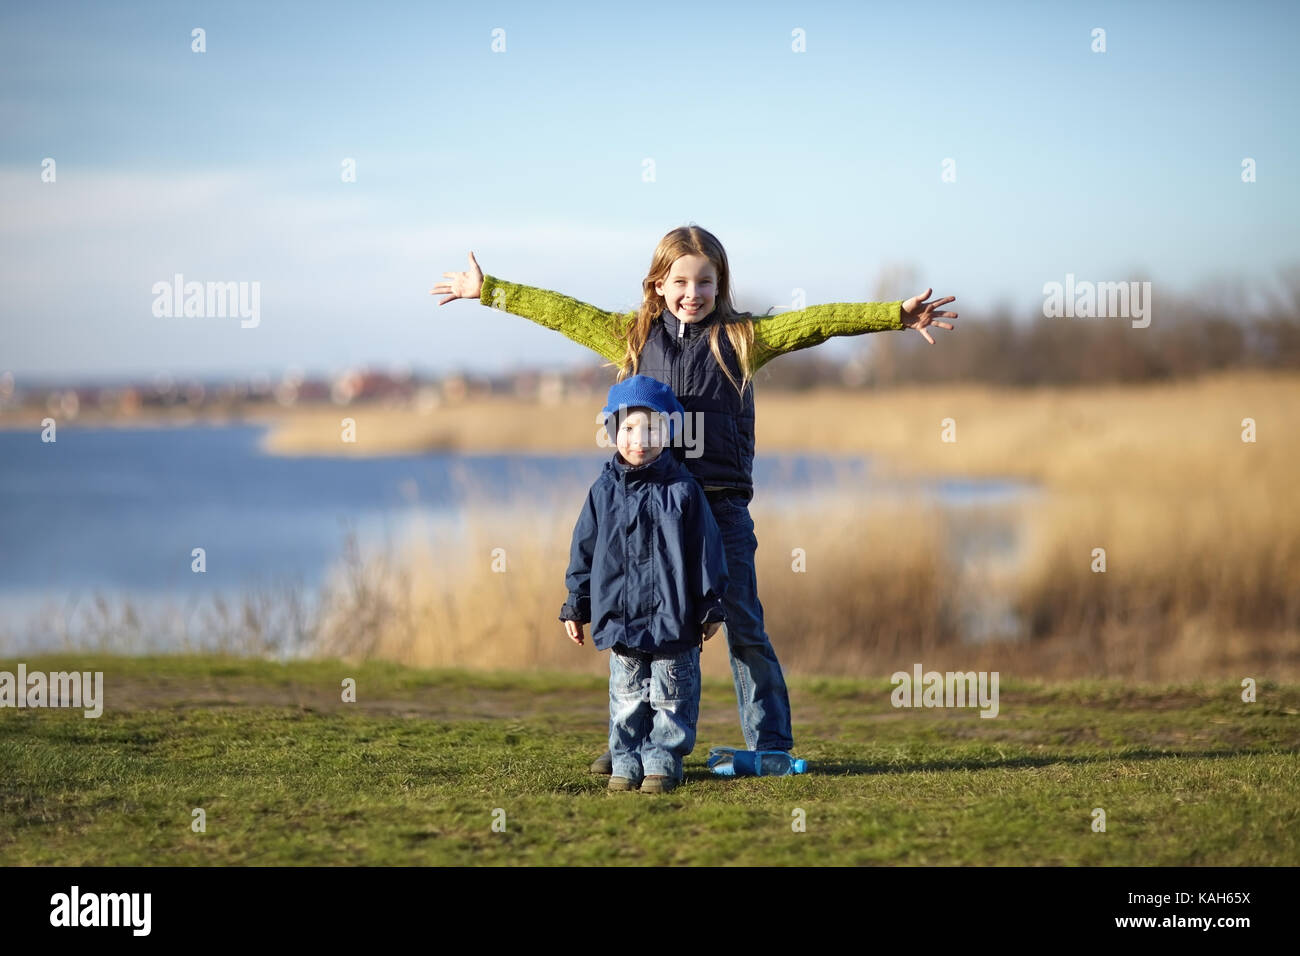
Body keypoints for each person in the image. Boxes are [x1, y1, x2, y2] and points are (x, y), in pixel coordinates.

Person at [432, 224, 956, 768]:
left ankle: (771, 744)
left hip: (721, 508)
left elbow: (815, 323)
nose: (693, 292)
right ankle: (633, 746)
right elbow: (560, 311)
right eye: (680, 280)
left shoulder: (742, 338)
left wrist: (895, 314)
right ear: (658, 283)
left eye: (706, 282)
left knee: (744, 624)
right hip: (650, 510)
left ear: (720, 284)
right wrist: (489, 289)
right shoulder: (631, 335)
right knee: (643, 634)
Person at [560, 375, 729, 794]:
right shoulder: (602, 492)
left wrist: (710, 606)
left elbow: (706, 551)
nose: (640, 439)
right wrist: (576, 605)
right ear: (614, 432)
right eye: (629, 429)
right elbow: (584, 552)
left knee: (672, 696)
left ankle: (662, 761)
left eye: (652, 429)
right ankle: (626, 760)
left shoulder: (684, 490)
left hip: (675, 621)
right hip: (620, 620)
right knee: (627, 695)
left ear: (669, 432)